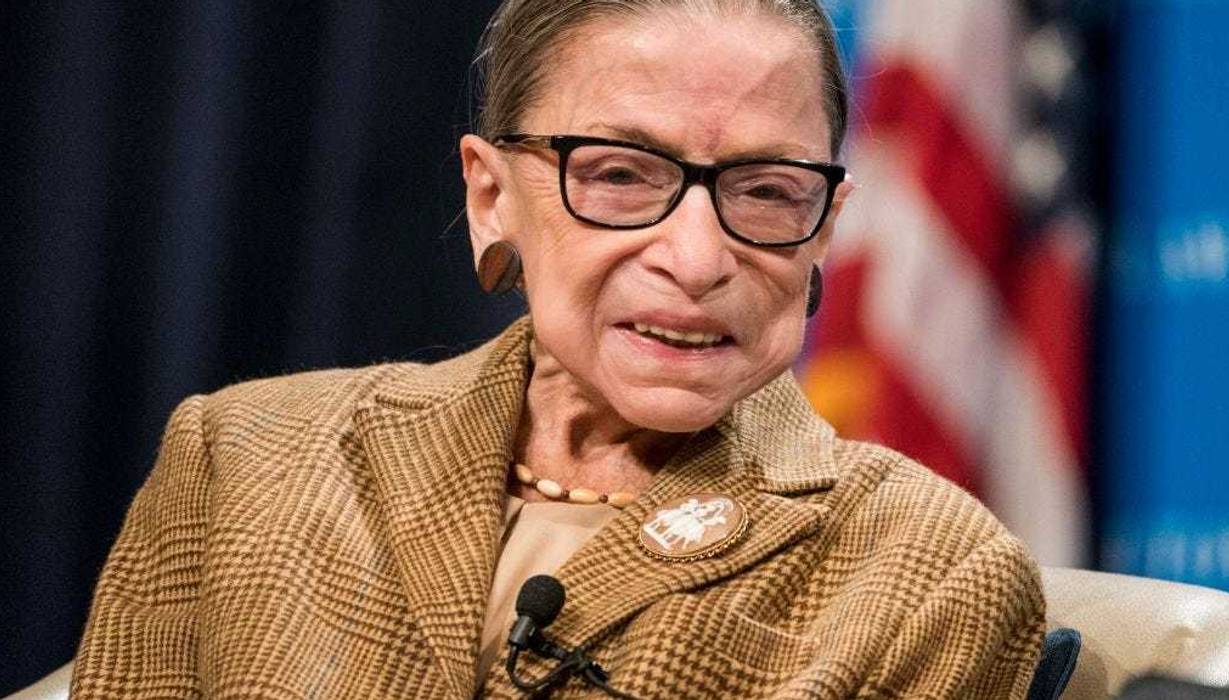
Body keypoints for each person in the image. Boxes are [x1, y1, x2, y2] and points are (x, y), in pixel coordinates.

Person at [71, 0, 1045, 697]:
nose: (699, 258)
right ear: (492, 194)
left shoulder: (932, 574)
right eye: (620, 174)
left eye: (765, 190)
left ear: (825, 222)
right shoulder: (244, 456)